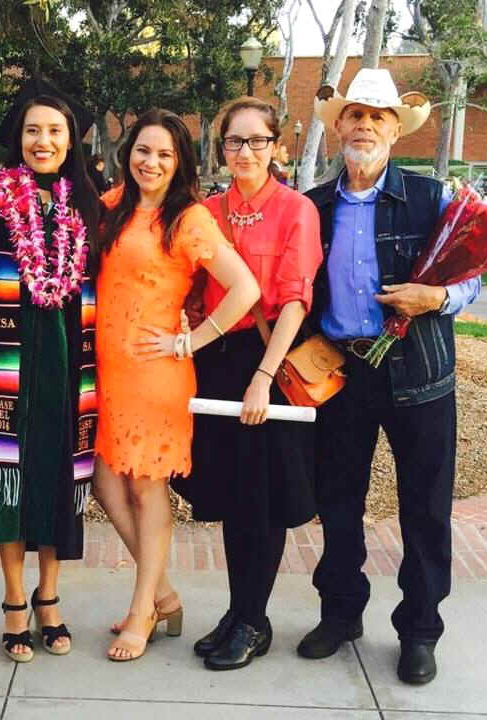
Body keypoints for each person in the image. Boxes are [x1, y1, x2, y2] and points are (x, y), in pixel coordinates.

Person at [299, 69, 480, 685]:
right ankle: (341, 611)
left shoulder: (432, 198)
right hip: (343, 375)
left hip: (420, 377)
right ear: (339, 127)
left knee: (424, 508)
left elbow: (474, 276)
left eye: (378, 116)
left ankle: (420, 630)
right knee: (338, 501)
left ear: (396, 130)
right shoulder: (315, 207)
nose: (366, 125)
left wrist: (436, 298)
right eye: (355, 115)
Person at [94, 109, 259, 662]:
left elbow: (245, 288)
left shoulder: (188, 219)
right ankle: (161, 593)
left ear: (180, 161)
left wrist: (193, 340)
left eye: (165, 154)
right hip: (108, 370)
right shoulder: (113, 206)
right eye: (144, 150)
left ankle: (142, 610)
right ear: (129, 152)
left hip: (154, 373)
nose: (152, 162)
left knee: (145, 488)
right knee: (104, 485)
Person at [172, 97, 323, 671]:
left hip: (267, 364)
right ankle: (238, 612)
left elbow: (293, 301)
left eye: (257, 140)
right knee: (234, 496)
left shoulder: (296, 210)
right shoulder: (207, 209)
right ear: (221, 147)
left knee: (260, 499)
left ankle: (254, 621)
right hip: (216, 362)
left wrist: (262, 379)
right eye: (234, 141)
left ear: (277, 146)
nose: (245, 152)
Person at [0, 95, 102, 662]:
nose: (42, 141)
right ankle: (12, 602)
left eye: (54, 130)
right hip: (9, 358)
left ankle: (50, 598)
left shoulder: (90, 205)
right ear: (18, 139)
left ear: (71, 139)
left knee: (56, 476)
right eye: (32, 131)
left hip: (70, 360)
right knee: (12, 478)